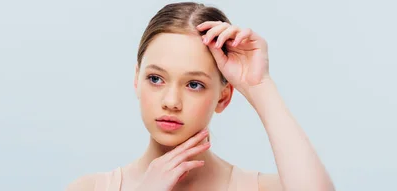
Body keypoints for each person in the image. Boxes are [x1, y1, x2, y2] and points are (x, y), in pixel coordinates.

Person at [66, 2, 334, 191]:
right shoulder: (91, 188)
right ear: (137, 79)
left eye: (194, 84)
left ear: (223, 97)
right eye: (156, 79)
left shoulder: (260, 188)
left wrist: (260, 85)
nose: (171, 101)